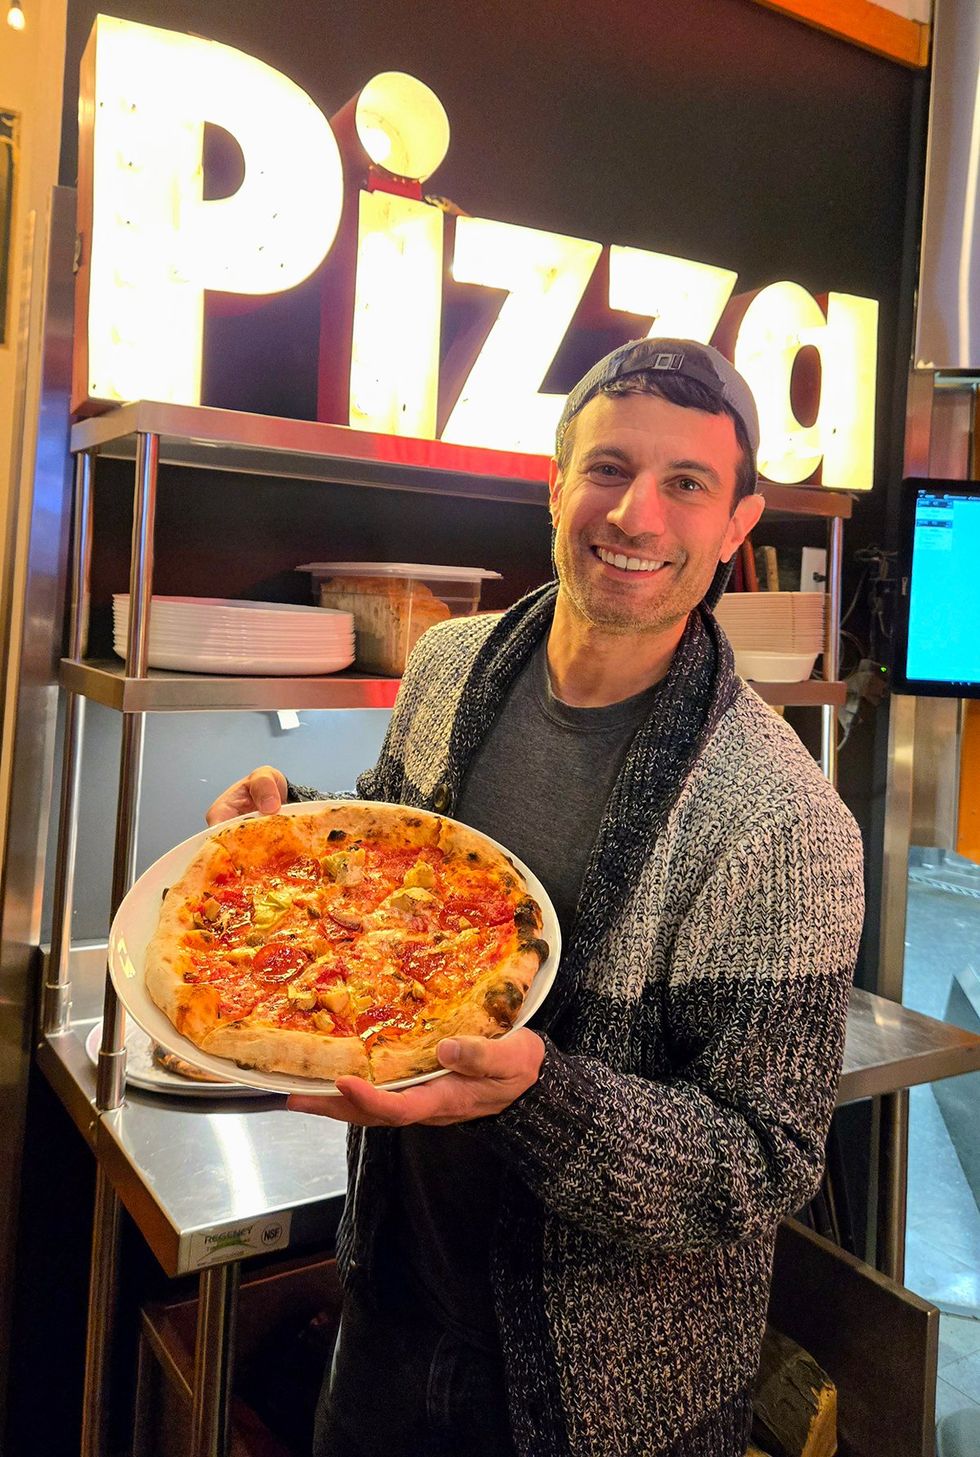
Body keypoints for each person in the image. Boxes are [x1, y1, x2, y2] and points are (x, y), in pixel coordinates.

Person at [207, 338, 865, 1457]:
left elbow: (763, 1159)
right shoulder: (449, 665)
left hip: (607, 1397)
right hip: (387, 1314)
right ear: (553, 484)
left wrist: (534, 1097)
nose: (636, 515)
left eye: (685, 484)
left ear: (737, 524)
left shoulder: (785, 819)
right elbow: (402, 866)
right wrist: (293, 836)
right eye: (606, 468)